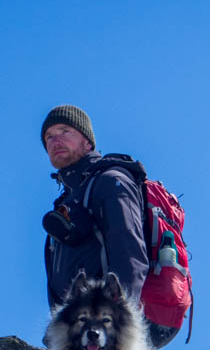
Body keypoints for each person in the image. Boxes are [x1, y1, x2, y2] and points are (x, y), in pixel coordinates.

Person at [40, 104, 150, 313]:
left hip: (108, 324)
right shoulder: (69, 201)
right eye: (49, 137)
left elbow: (130, 256)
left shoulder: (110, 181)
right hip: (79, 330)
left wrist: (118, 323)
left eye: (65, 131)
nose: (56, 141)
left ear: (87, 141)